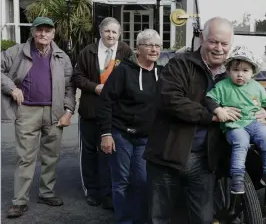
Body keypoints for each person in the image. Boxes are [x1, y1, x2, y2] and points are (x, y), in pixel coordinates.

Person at [144, 17, 266, 224]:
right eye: (213, 41)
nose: (219, 48)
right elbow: (171, 99)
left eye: (224, 43)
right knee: (159, 217)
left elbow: (254, 97)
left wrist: (263, 112)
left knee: (203, 219)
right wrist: (212, 114)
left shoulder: (233, 75)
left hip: (205, 161)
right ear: (202, 38)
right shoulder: (180, 64)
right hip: (168, 156)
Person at [1, 17, 76, 218]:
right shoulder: (17, 52)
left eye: (48, 31)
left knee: (51, 156)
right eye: (40, 30)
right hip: (26, 111)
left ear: (53, 34)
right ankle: (19, 200)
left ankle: (46, 192)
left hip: (55, 112)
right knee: (25, 157)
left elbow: (70, 87)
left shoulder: (62, 57)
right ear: (33, 32)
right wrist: (12, 88)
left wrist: (68, 111)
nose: (43, 34)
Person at [96, 29, 162, 223]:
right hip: (120, 134)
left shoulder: (162, 73)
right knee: (122, 181)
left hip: (145, 138)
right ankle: (124, 220)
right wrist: (106, 134)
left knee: (142, 181)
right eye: (148, 45)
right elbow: (105, 102)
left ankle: (140, 220)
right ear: (137, 49)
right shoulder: (123, 70)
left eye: (157, 46)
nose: (153, 49)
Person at [73, 17, 133, 209]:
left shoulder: (126, 51)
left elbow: (132, 76)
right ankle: (92, 191)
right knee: (90, 153)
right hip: (90, 111)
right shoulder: (87, 51)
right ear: (100, 32)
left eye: (115, 32)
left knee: (109, 153)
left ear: (119, 34)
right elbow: (77, 77)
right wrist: (94, 87)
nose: (111, 35)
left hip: (115, 113)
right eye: (107, 31)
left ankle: (108, 194)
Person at [205, 46, 266, 194]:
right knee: (241, 142)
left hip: (254, 123)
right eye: (236, 70)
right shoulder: (222, 86)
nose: (240, 74)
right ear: (228, 71)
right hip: (234, 125)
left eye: (245, 71)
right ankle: (237, 177)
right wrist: (218, 110)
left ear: (252, 73)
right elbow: (209, 99)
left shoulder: (257, 87)